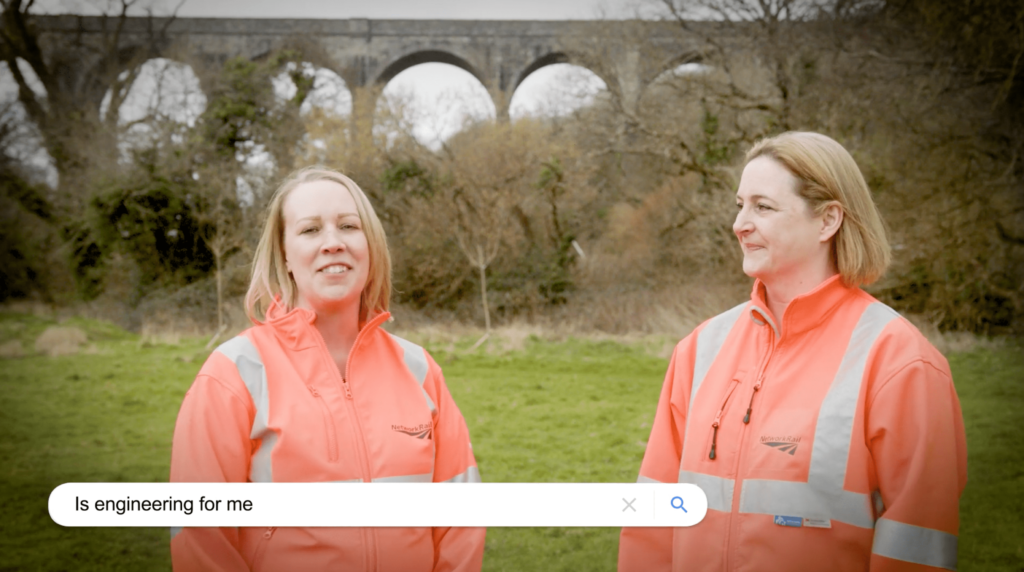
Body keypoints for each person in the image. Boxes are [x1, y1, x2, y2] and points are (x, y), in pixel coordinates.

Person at [618, 132, 967, 572]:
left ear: (827, 221)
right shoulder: (700, 348)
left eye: (762, 207)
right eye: (739, 204)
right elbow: (652, 517)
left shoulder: (900, 362)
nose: (740, 223)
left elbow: (918, 548)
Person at [170, 166, 485, 571]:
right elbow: (200, 536)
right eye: (310, 230)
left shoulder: (420, 369)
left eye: (348, 226)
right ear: (283, 254)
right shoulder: (233, 372)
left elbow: (462, 514)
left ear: (369, 244)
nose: (333, 243)